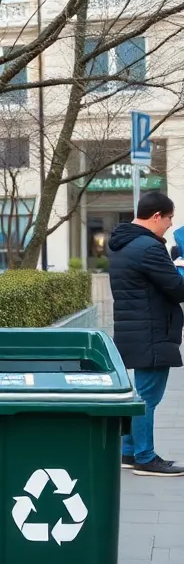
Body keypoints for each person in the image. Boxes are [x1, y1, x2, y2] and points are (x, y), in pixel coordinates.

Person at [108, 191, 184, 476]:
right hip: (152, 330)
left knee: (140, 394)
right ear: (156, 216)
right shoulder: (149, 248)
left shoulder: (121, 244)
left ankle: (128, 451)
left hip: (135, 329)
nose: (169, 224)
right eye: (169, 218)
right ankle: (145, 457)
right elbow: (178, 289)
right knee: (147, 398)